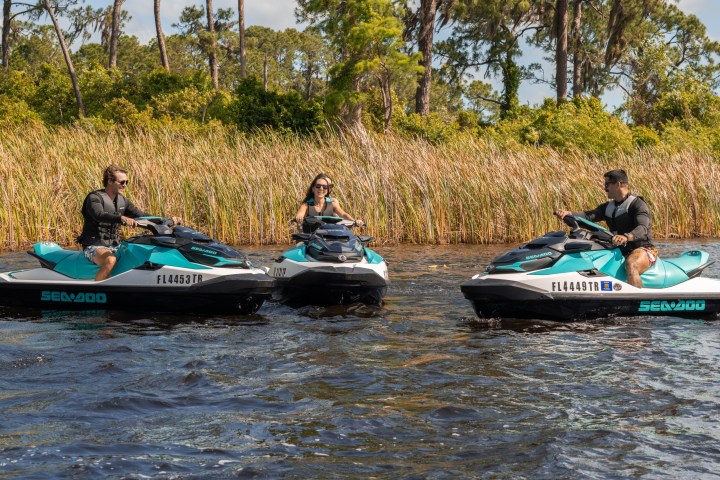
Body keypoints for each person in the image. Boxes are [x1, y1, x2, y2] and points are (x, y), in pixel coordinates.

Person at [554, 169, 657, 288]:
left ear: (618, 184)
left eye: (607, 184)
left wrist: (626, 237)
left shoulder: (637, 205)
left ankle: (635, 302)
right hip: (618, 249)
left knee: (632, 264)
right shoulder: (608, 207)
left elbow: (643, 228)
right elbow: (587, 216)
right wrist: (568, 214)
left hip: (643, 249)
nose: (605, 188)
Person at [77, 165, 181, 281]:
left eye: (127, 182)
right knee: (110, 260)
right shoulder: (94, 198)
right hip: (93, 245)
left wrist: (166, 220)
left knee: (138, 254)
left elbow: (141, 215)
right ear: (110, 181)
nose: (125, 185)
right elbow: (99, 215)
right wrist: (122, 218)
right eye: (122, 182)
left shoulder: (122, 201)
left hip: (115, 245)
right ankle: (97, 291)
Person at [294, 173, 364, 228]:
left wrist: (355, 221)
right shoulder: (306, 205)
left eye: (325, 187)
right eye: (318, 186)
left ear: (328, 190)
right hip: (310, 238)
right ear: (313, 189)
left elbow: (343, 214)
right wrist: (299, 216)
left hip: (328, 237)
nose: (321, 189)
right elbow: (301, 213)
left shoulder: (333, 204)